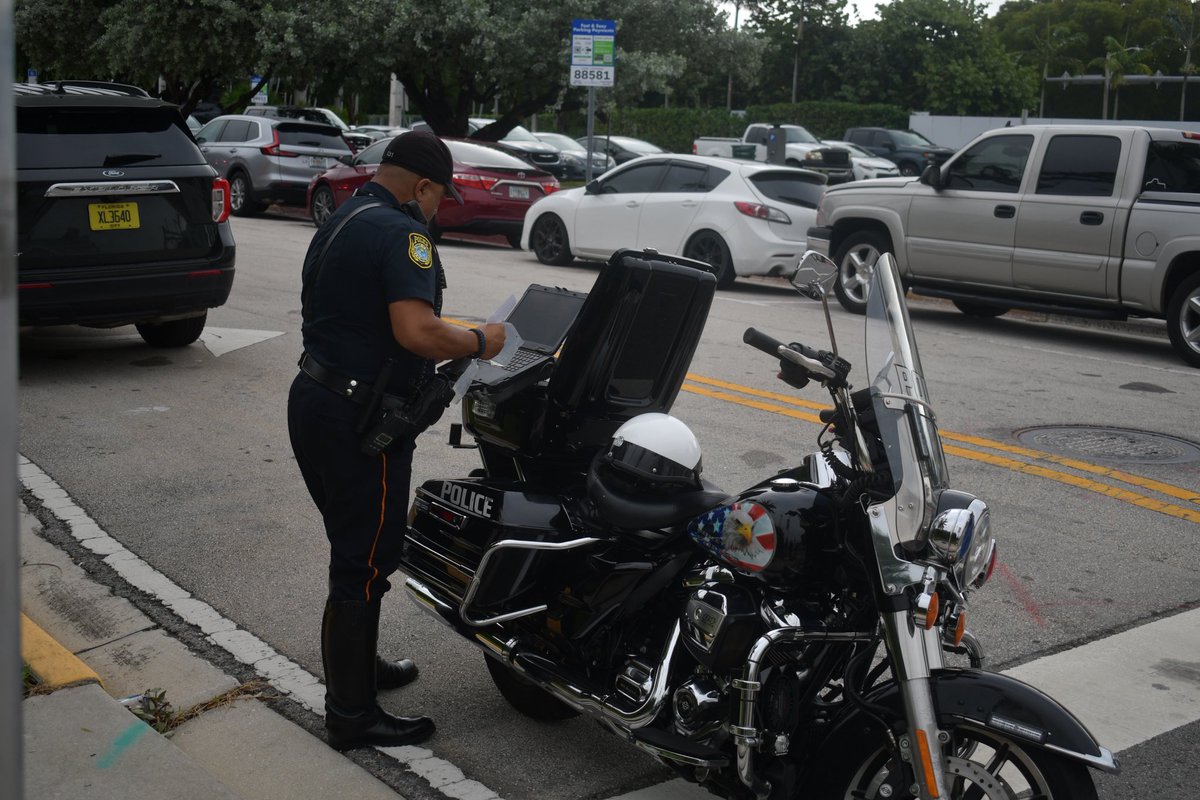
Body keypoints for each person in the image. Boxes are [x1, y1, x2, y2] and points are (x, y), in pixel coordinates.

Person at [287, 131, 506, 750]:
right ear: (424, 185)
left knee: (353, 549)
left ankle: (361, 672)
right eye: (441, 197)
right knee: (363, 563)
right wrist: (481, 341)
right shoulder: (403, 234)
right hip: (362, 421)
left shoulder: (344, 216)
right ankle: (352, 716)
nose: (438, 209)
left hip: (315, 400)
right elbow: (417, 331)